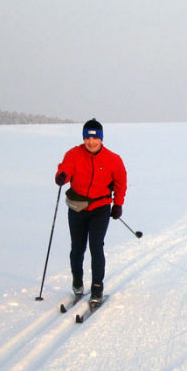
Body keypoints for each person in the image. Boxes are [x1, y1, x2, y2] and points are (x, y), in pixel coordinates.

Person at [54, 118, 127, 305]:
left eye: (95, 138)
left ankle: (97, 286)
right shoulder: (74, 154)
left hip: (100, 209)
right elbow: (65, 169)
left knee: (96, 247)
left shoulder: (113, 159)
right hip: (77, 208)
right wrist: (61, 177)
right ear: (83, 138)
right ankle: (77, 282)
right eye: (87, 138)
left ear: (101, 139)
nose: (91, 142)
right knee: (77, 248)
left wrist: (117, 205)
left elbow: (120, 182)